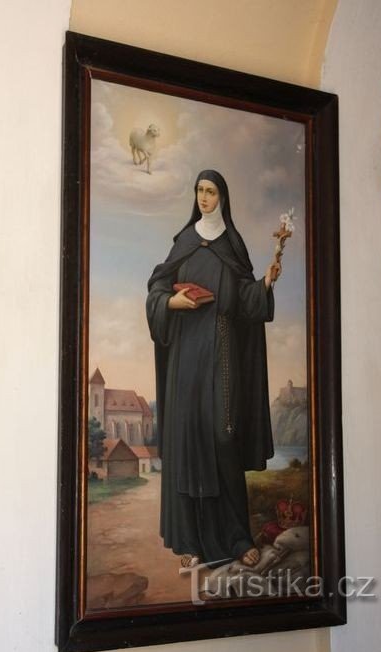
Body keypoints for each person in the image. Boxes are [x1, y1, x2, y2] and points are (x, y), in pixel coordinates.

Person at [146, 169, 280, 569]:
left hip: (222, 354)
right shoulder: (185, 242)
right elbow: (156, 289)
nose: (204, 198)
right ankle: (191, 542)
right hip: (186, 355)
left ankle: (236, 538)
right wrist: (172, 302)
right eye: (200, 191)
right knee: (188, 440)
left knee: (224, 439)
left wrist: (266, 283)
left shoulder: (232, 244)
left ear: (222, 197)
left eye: (211, 191)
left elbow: (245, 301)